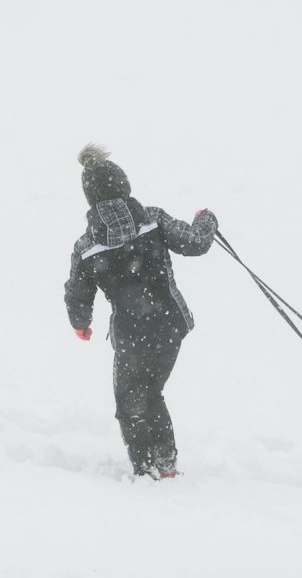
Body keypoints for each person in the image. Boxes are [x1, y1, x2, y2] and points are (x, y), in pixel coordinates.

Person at [63, 144, 218, 479]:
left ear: (90, 198)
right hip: (171, 325)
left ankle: (146, 467)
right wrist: (206, 219)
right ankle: (166, 463)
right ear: (124, 185)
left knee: (131, 401)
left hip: (132, 335)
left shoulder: (87, 247)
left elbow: (77, 293)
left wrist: (81, 323)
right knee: (152, 391)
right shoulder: (154, 220)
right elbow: (195, 242)